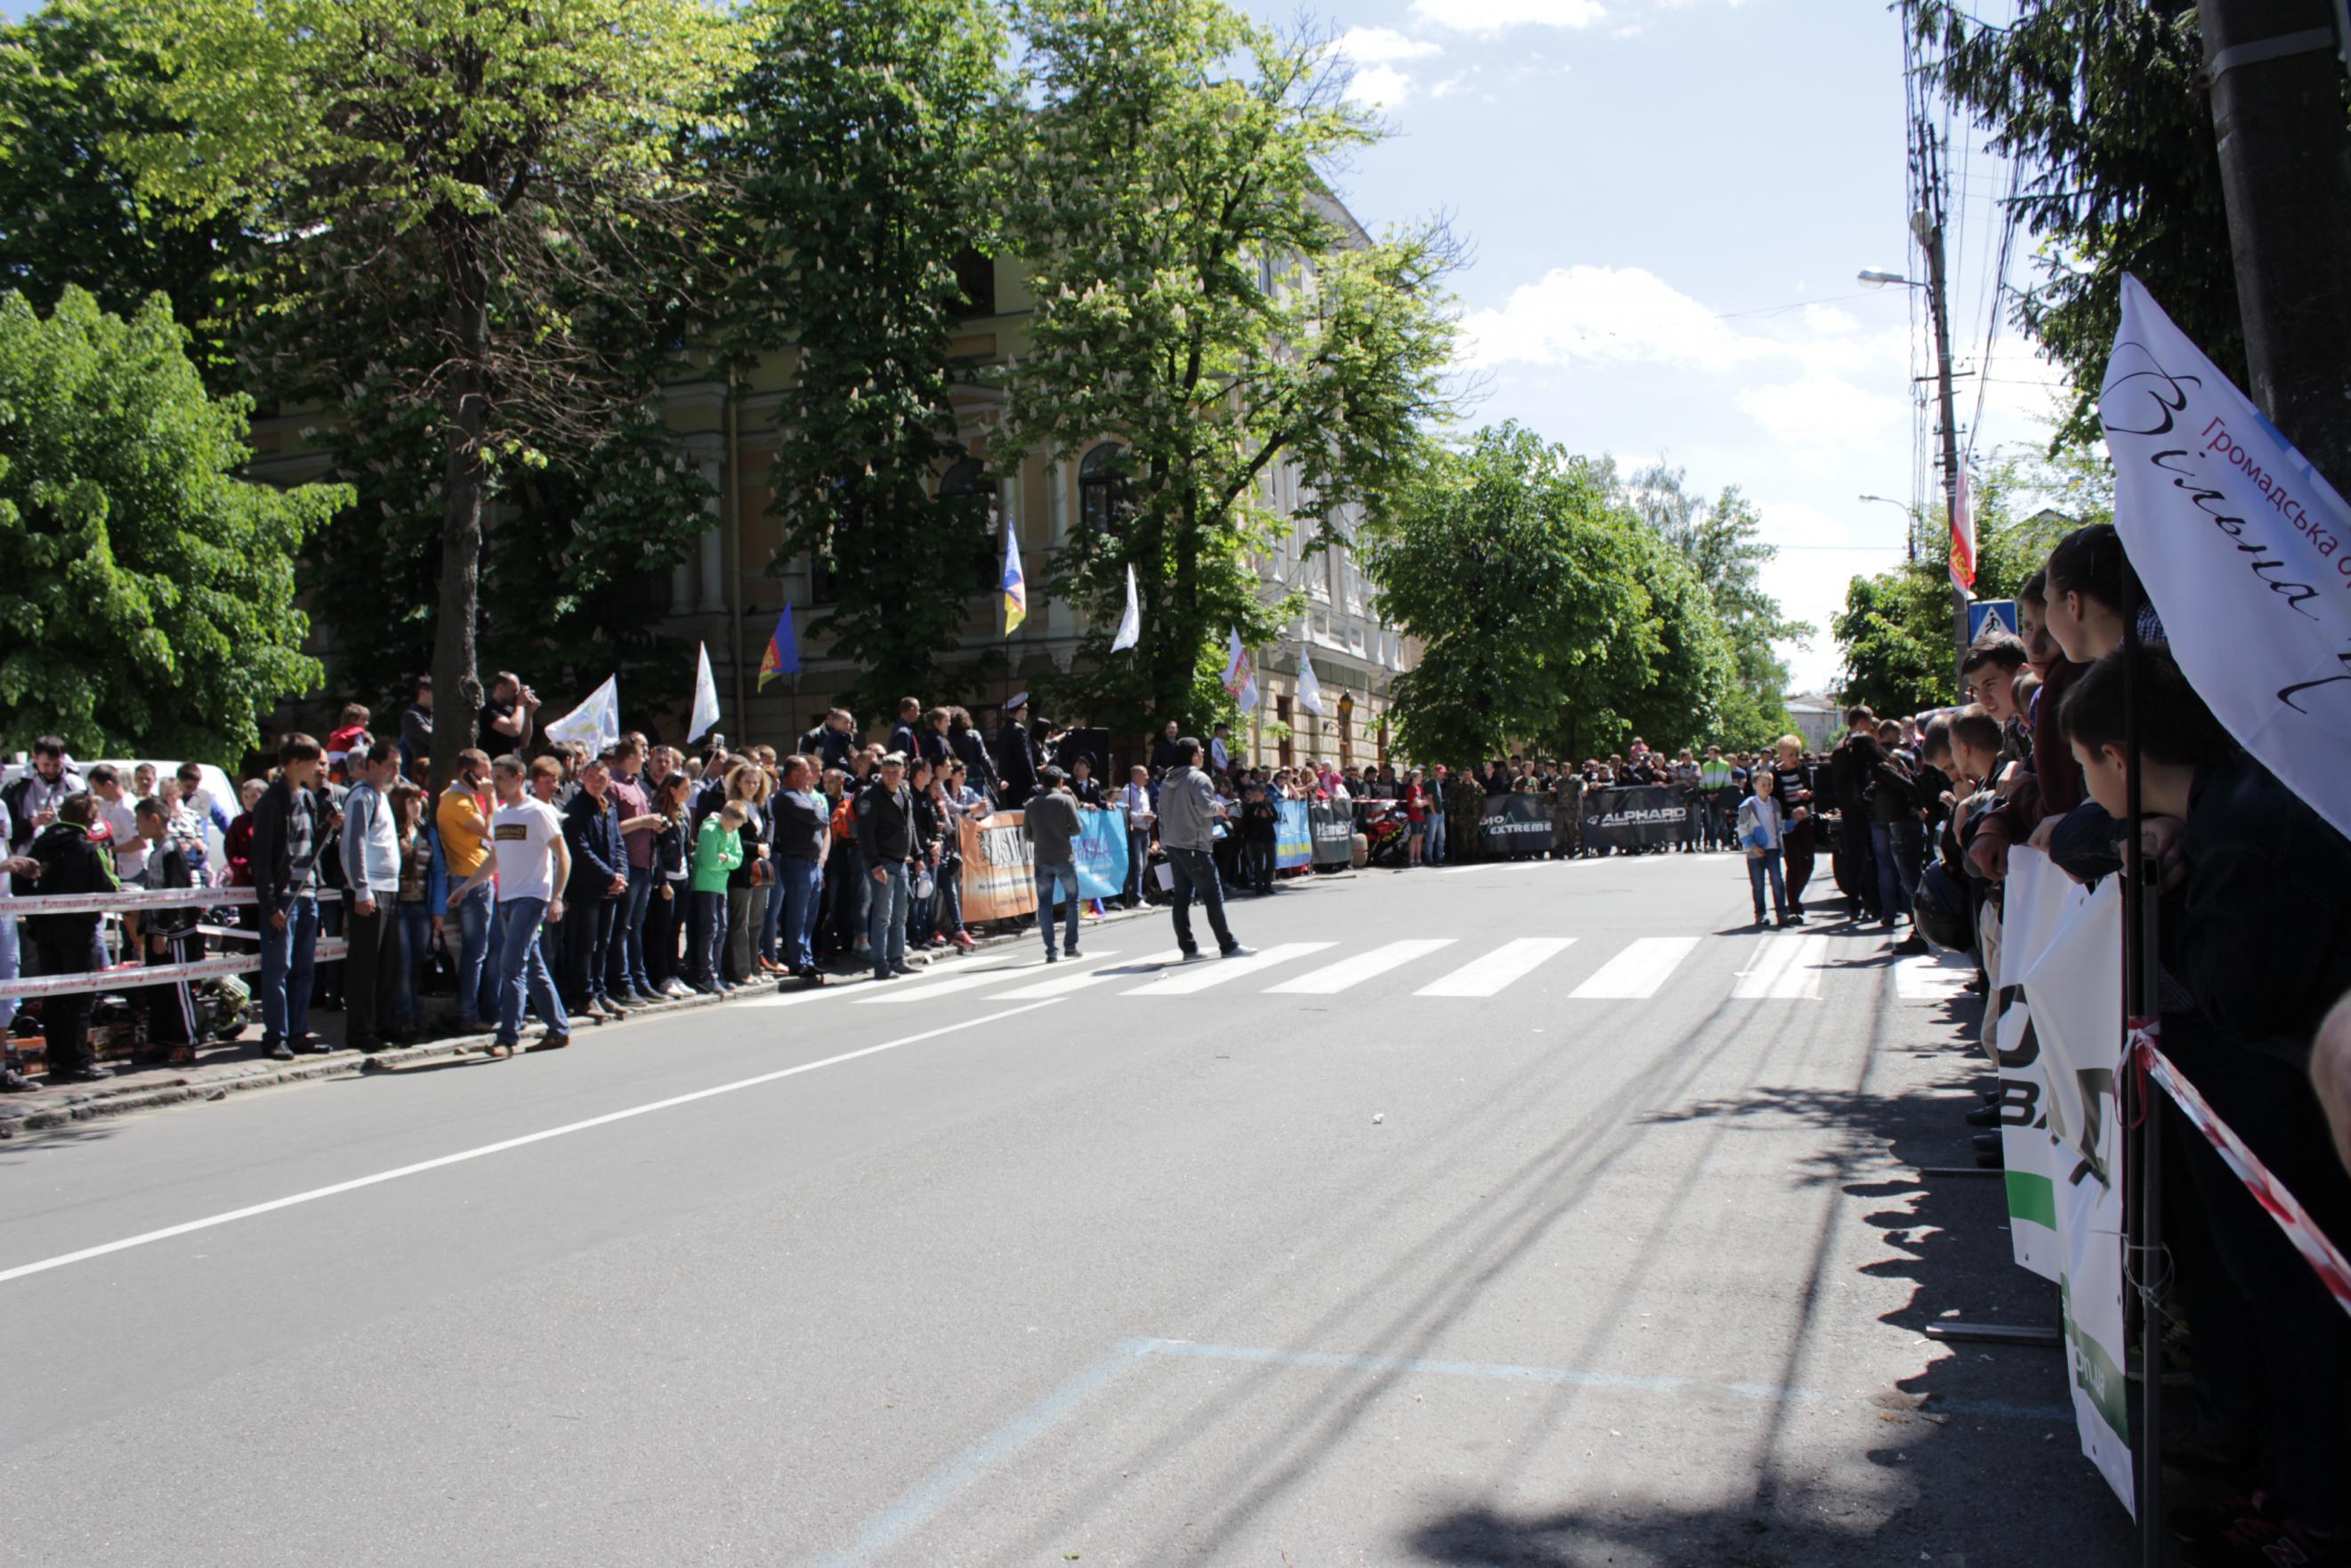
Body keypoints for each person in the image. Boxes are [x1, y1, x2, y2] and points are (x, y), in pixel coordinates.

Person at [452, 755, 570, 1055]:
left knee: (511, 965)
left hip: (532, 898)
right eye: (492, 777)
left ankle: (507, 1038)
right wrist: (466, 887)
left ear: (518, 778)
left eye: (500, 778)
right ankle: (558, 1029)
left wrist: (556, 896)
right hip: (505, 899)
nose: (493, 783)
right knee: (533, 969)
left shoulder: (538, 811)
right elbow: (494, 859)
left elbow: (563, 855)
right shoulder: (501, 815)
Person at [17, 794, 116, 1082]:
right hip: (78, 931)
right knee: (79, 997)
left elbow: (22, 882)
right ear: (91, 819)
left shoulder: (41, 843)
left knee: (54, 996)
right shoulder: (87, 847)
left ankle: (58, 1060)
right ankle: (78, 1061)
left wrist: (36, 918)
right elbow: (106, 888)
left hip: (45, 930)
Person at [249, 734, 327, 1061]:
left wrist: (328, 827)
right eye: (313, 763)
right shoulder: (271, 802)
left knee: (304, 968)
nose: (318, 769)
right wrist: (269, 903)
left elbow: (309, 844)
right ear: (295, 763)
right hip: (285, 896)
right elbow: (261, 857)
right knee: (277, 969)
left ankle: (298, 1032)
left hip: (307, 892)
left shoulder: (307, 798)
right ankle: (275, 1036)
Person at [1157, 739, 1251, 962]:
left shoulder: (1167, 780)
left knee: (1181, 898)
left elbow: (1161, 813)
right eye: (1200, 751)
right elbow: (1205, 807)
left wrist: (1165, 841)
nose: (1203, 754)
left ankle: (1189, 948)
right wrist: (1222, 807)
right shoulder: (1199, 778)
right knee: (1212, 896)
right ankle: (1228, 945)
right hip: (1196, 845)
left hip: (1174, 844)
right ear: (1194, 755)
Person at [340, 740, 405, 1053]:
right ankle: (361, 1031)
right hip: (370, 890)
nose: (396, 773)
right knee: (365, 965)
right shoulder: (362, 796)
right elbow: (354, 843)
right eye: (391, 766)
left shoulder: (381, 796)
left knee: (387, 964)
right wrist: (361, 888)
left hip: (388, 888)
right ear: (373, 765)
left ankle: (384, 1025)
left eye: (398, 767)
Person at [435, 748, 502, 1035]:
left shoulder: (466, 798)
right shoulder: (456, 801)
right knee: (476, 951)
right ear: (467, 773)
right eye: (484, 774)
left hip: (479, 876)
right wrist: (490, 798)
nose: (489, 781)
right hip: (470, 878)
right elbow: (493, 831)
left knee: (493, 947)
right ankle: (467, 1013)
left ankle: (491, 1009)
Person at [560, 753, 628, 1018]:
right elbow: (580, 850)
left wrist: (620, 875)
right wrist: (608, 877)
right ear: (582, 778)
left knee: (603, 943)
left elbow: (618, 843)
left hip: (609, 888)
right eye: (590, 778)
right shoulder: (575, 809)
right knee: (584, 944)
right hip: (585, 888)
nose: (596, 783)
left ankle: (600, 991)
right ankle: (584, 995)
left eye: (601, 779)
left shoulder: (608, 807)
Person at [856, 754, 917, 982]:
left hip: (901, 861)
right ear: (881, 772)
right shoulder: (870, 796)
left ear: (903, 772)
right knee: (883, 914)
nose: (891, 775)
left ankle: (897, 960)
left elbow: (910, 826)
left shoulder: (905, 793)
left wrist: (918, 855)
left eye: (895, 771)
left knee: (901, 914)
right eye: (887, 771)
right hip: (882, 861)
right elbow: (865, 832)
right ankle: (880, 965)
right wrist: (875, 864)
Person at [389, 780, 442, 1040]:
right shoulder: (392, 831)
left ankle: (417, 1014)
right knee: (403, 962)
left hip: (421, 905)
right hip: (398, 906)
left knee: (419, 961)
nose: (417, 805)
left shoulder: (427, 831)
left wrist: (438, 911)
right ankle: (405, 1017)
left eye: (419, 800)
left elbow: (438, 871)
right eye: (410, 801)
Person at [771, 756, 828, 984]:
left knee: (809, 916)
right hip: (797, 862)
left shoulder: (803, 796)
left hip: (812, 864)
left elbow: (823, 819)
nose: (810, 777)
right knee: (798, 914)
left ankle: (807, 957)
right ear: (794, 774)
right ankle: (798, 961)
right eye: (807, 772)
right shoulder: (786, 797)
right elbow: (816, 815)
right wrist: (817, 809)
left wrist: (817, 810)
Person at [1022, 765, 1085, 961]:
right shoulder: (1065, 800)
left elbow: (1027, 835)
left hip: (1042, 859)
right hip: (1064, 857)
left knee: (1045, 905)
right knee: (1072, 901)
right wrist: (1062, 831)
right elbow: (1077, 829)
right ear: (1060, 782)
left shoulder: (1031, 804)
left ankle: (1051, 950)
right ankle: (1070, 946)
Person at [690, 801, 745, 992]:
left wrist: (726, 858)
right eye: (732, 826)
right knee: (709, 930)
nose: (733, 830)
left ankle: (717, 973)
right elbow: (709, 862)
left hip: (721, 886)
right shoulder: (710, 831)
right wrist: (726, 864)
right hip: (705, 885)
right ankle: (705, 974)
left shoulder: (733, 832)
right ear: (725, 818)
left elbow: (737, 860)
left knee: (721, 929)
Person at [4, 736, 83, 853]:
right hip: (29, 856)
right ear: (35, 757)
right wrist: (34, 822)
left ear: (64, 759)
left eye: (56, 765)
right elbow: (6, 833)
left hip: (67, 854)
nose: (51, 770)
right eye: (46, 764)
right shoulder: (16, 789)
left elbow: (86, 824)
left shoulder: (76, 786)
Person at [1736, 766, 1790, 929]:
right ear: (1755, 786)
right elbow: (1742, 830)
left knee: (1777, 881)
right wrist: (1752, 846)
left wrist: (1794, 821)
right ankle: (1760, 914)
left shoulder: (1775, 803)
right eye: (1763, 784)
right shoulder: (1747, 805)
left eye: (1770, 784)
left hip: (1772, 848)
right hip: (1755, 851)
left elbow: (1780, 825)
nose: (1767, 787)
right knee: (1758, 884)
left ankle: (1782, 913)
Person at [477, 670, 541, 756]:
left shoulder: (512, 710)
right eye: (514, 691)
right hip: (496, 761)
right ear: (500, 688)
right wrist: (520, 704)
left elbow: (523, 743)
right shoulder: (488, 709)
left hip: (513, 761)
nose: (517, 694)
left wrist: (529, 712)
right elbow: (513, 730)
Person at [996, 697, 1038, 809]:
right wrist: (1033, 779)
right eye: (1025, 709)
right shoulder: (1019, 730)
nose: (1026, 712)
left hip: (1005, 781)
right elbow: (1025, 758)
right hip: (1020, 783)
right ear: (1020, 710)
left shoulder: (1002, 730)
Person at [400, 675, 434, 780]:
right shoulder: (412, 716)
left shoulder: (434, 715)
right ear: (422, 692)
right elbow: (434, 739)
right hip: (424, 776)